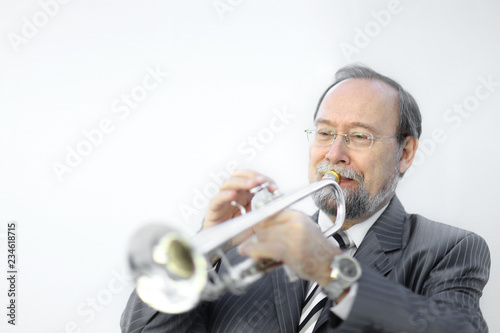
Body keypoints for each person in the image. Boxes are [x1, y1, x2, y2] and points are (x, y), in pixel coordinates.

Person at [121, 64, 490, 332]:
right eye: (325, 133)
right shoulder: (243, 251)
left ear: (406, 152)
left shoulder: (448, 249)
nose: (334, 154)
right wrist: (205, 243)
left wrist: (334, 272)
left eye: (359, 136)